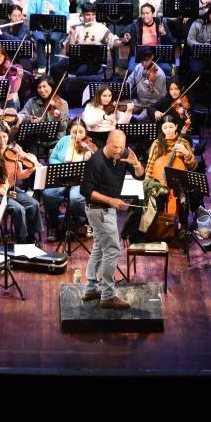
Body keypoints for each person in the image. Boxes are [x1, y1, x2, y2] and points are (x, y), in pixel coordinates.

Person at [79, 129, 145, 309]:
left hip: (108, 209)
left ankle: (91, 289)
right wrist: (111, 201)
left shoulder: (123, 155)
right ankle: (107, 296)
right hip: (98, 210)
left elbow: (140, 176)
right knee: (113, 250)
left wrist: (136, 164)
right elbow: (85, 191)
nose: (118, 150)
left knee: (99, 248)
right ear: (107, 143)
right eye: (115, 147)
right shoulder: (96, 161)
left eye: (121, 147)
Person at [0, 123, 42, 244]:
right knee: (19, 209)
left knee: (34, 204)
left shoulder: (13, 152)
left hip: (11, 189)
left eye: (4, 137)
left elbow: (19, 175)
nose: (2, 141)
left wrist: (30, 171)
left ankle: (31, 239)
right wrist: (4, 192)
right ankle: (22, 241)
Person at [43, 119, 93, 242]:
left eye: (81, 132)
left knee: (76, 198)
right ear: (70, 131)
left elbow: (95, 166)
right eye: (74, 132)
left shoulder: (88, 145)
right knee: (48, 194)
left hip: (79, 181)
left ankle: (82, 222)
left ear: (85, 132)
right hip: (62, 179)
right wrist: (62, 165)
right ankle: (54, 225)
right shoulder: (64, 141)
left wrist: (88, 159)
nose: (78, 135)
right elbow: (53, 158)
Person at [25, 0, 69, 72]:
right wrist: (40, 16)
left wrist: (55, 10)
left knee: (54, 39)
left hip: (56, 27)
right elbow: (29, 14)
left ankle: (54, 67)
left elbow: (66, 14)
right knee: (40, 39)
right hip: (39, 27)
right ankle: (42, 66)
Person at [125, 46, 167, 115]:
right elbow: (130, 80)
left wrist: (151, 88)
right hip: (139, 102)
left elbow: (161, 96)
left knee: (139, 119)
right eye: (142, 61)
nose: (144, 63)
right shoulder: (138, 67)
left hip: (152, 105)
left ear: (152, 57)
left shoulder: (160, 74)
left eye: (146, 60)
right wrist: (126, 90)